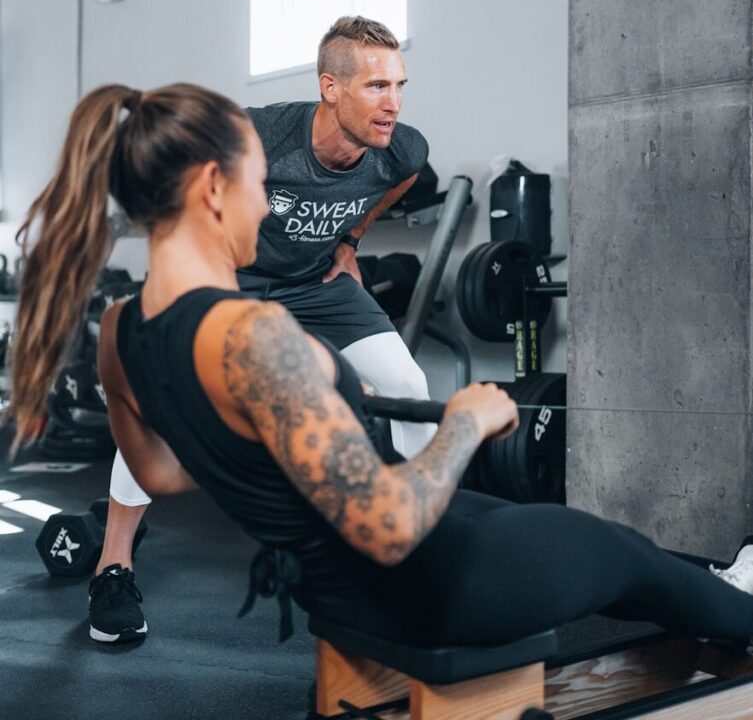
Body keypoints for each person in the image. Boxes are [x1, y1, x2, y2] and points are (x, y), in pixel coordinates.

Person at [9, 81, 753, 666]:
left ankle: (717, 599)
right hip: (416, 586)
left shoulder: (119, 327)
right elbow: (391, 527)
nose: (267, 206)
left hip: (326, 585)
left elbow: (165, 473)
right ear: (211, 188)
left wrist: (314, 420)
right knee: (619, 554)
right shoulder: (254, 335)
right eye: (259, 185)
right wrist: (464, 423)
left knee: (554, 533)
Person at [84, 16, 436, 644]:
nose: (394, 103)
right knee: (164, 407)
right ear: (331, 87)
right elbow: (182, 192)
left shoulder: (401, 149)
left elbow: (406, 180)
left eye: (400, 85)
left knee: (409, 384)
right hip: (235, 283)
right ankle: (114, 564)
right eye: (377, 87)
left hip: (316, 287)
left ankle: (412, 548)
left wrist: (352, 238)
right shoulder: (258, 135)